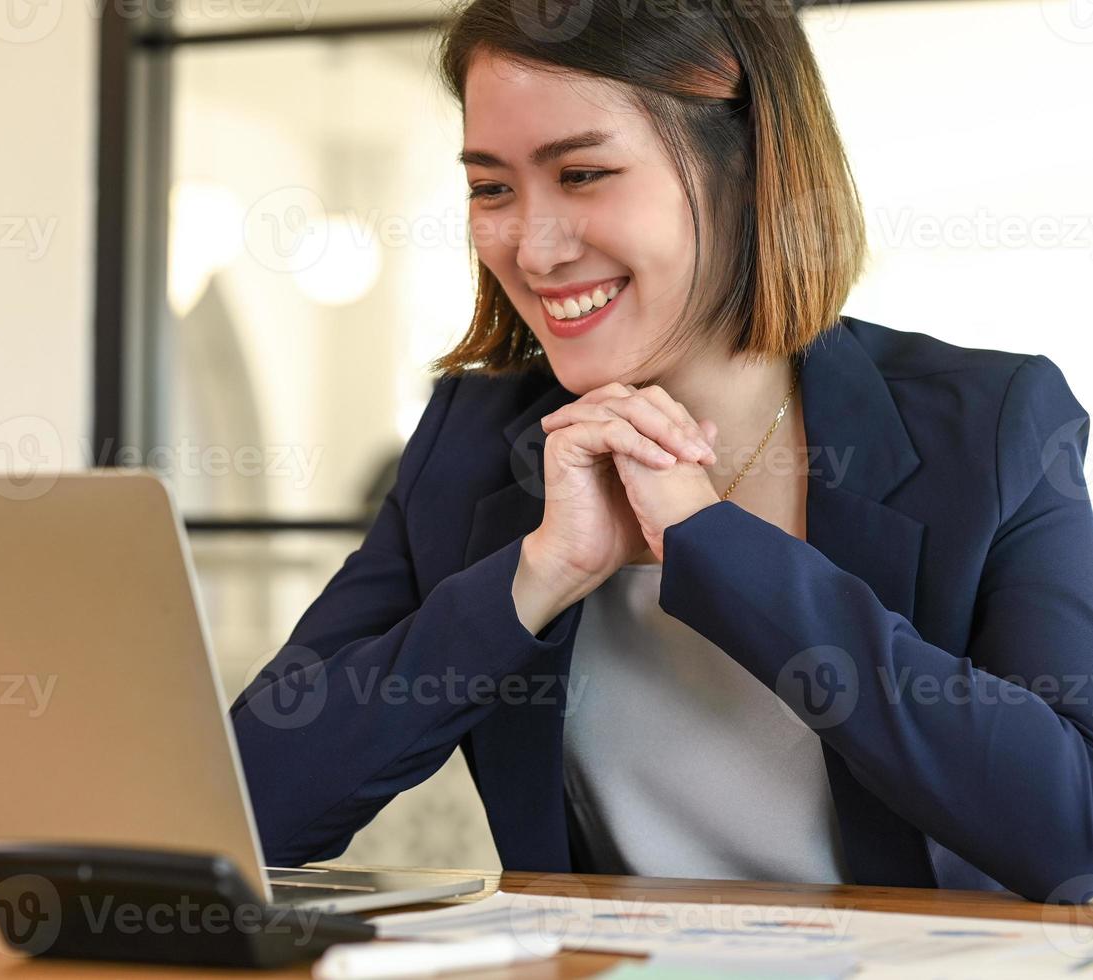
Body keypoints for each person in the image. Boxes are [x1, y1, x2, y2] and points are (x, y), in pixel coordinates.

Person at [229, 0, 1093, 904]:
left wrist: (714, 547)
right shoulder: (471, 446)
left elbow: (1070, 828)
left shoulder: (992, 424)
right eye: (492, 188)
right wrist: (535, 576)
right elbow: (245, 816)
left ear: (748, 169)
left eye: (584, 173)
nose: (533, 244)